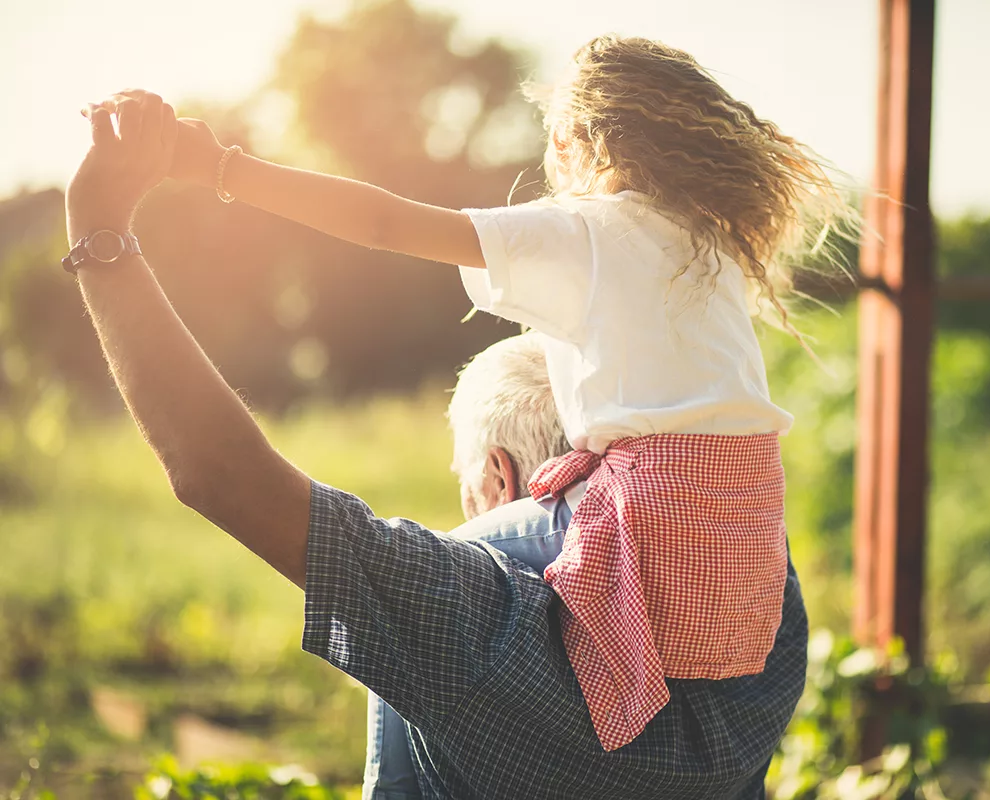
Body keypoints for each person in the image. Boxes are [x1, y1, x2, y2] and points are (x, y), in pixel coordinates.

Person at [64, 91, 810, 799]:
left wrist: (97, 227)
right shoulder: (766, 602)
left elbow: (218, 471)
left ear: (500, 474)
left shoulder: (469, 616)